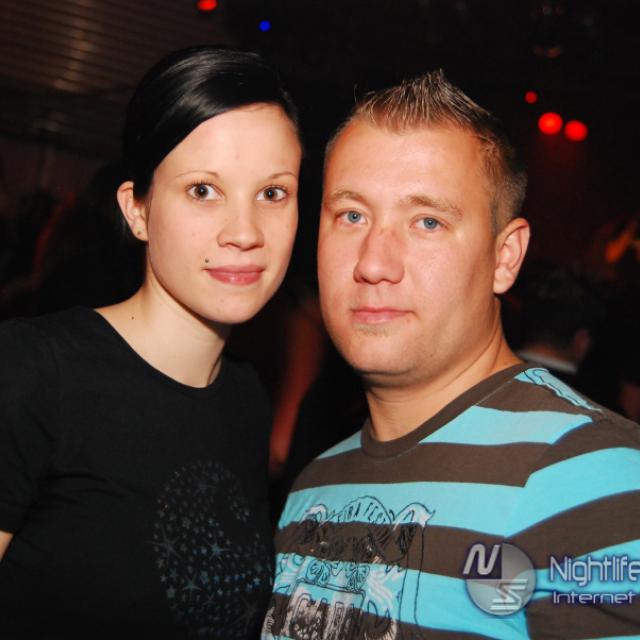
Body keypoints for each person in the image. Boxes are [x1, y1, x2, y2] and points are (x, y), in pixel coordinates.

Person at [263, 71, 640, 638]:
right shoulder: (313, 487)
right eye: (352, 215)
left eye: (428, 222)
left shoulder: (596, 478)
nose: (373, 262)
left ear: (504, 257)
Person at [0, 46, 302, 638]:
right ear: (136, 210)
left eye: (272, 193)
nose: (245, 233)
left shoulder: (246, 399)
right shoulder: (31, 371)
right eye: (203, 190)